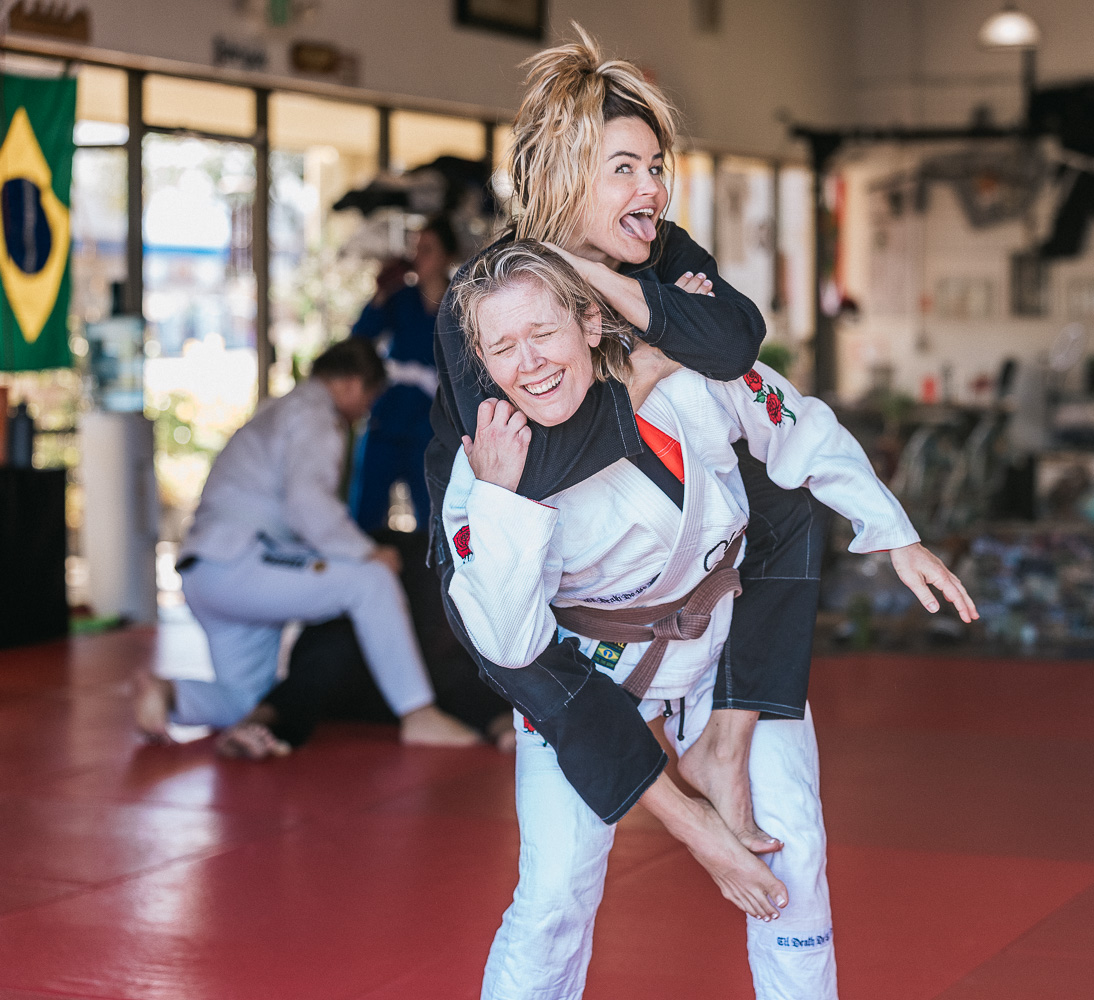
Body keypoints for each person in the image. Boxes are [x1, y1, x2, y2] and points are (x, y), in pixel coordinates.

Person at [445, 241, 976, 999]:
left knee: (792, 849)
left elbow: (800, 428)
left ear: (591, 321)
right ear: (481, 362)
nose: (527, 363)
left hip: (719, 648)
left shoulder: (684, 374)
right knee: (555, 893)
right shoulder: (488, 466)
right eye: (501, 347)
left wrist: (894, 533)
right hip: (590, 674)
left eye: (542, 333)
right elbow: (510, 645)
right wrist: (505, 500)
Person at [425, 25, 861, 857]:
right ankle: (681, 812)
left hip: (633, 525)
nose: (652, 188)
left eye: (656, 168)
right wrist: (649, 365)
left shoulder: (651, 249)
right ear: (563, 175)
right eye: (623, 168)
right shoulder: (491, 294)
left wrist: (616, 290)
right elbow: (535, 463)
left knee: (782, 505)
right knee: (532, 664)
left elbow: (734, 340)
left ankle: (726, 747)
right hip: (494, 532)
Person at [133, 339, 480, 753]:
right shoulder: (317, 414)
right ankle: (417, 714)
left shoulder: (279, 409)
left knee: (246, 699)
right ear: (352, 385)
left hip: (207, 570)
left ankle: (170, 696)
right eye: (370, 397)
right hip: (240, 561)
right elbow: (307, 503)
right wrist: (366, 552)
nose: (368, 409)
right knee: (371, 580)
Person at [247, 528, 518, 753]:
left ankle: (508, 730)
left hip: (421, 674)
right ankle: (256, 727)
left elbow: (476, 686)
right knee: (320, 666)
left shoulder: (443, 650)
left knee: (464, 678)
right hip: (356, 673)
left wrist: (508, 727)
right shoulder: (344, 633)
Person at [349, 216, 461, 533]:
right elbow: (360, 339)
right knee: (365, 515)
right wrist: (381, 291)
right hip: (388, 418)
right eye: (415, 249)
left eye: (427, 249)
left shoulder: (463, 302)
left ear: (448, 257)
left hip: (434, 426)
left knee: (434, 519)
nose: (417, 257)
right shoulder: (400, 298)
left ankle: (429, 580)